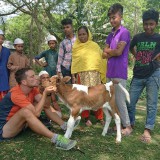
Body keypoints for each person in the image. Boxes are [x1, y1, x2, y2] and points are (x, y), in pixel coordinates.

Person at [0, 68, 77, 150]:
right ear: (24, 82)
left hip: (20, 126)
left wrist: (47, 93)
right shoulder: (16, 94)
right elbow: (36, 114)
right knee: (25, 111)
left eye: (35, 75)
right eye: (32, 76)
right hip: (5, 130)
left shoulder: (33, 89)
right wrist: (44, 94)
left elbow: (46, 105)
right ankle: (56, 139)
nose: (36, 77)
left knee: (39, 103)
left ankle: (64, 126)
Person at [128, 9, 160, 143]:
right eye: (146, 24)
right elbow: (130, 47)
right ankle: (130, 123)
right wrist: (136, 55)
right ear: (142, 24)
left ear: (156, 24)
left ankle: (148, 129)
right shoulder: (138, 37)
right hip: (138, 74)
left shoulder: (158, 38)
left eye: (151, 24)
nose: (148, 27)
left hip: (153, 74)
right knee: (130, 101)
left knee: (151, 104)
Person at [102, 3, 132, 135]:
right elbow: (104, 53)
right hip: (110, 71)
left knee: (120, 100)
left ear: (121, 16)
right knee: (111, 100)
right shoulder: (110, 35)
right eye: (110, 18)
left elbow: (119, 52)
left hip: (119, 71)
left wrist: (110, 51)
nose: (112, 20)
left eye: (114, 17)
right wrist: (111, 51)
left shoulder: (124, 32)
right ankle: (117, 123)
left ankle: (128, 127)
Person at [71, 26, 106, 126]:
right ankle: (86, 118)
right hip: (81, 75)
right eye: (80, 35)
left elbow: (101, 58)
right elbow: (75, 63)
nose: (82, 37)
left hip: (94, 74)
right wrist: (73, 76)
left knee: (97, 96)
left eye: (84, 34)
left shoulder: (94, 45)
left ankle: (100, 117)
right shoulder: (76, 47)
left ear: (88, 34)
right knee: (84, 96)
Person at [56, 18, 76, 83]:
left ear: (72, 27)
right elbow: (60, 58)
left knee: (78, 89)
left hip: (77, 67)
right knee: (68, 89)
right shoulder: (63, 43)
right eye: (64, 28)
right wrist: (58, 71)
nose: (65, 29)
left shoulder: (78, 40)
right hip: (66, 68)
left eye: (67, 27)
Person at [0, 30, 10, 101]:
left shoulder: (7, 50)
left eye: (2, 39)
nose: (1, 40)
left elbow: (9, 62)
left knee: (4, 91)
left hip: (4, 73)